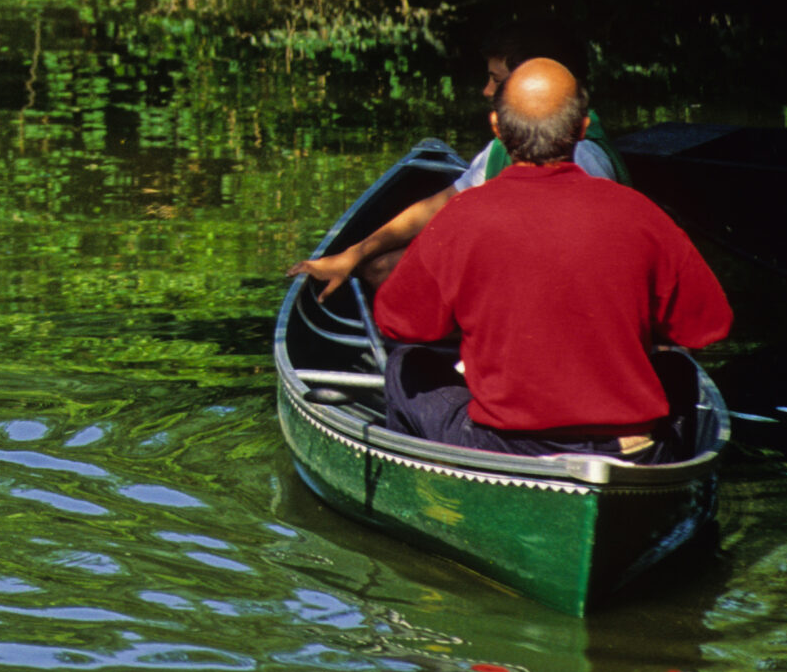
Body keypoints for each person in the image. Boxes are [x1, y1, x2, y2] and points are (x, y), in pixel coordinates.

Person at [373, 58, 732, 462]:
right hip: (630, 449)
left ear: (497, 129)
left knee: (406, 365)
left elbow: (398, 321)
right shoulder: (642, 213)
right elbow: (709, 325)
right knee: (679, 370)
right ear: (581, 130)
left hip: (506, 446)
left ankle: (426, 488)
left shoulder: (462, 216)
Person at [291, 23, 627, 300]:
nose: (485, 91)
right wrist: (356, 252)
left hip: (552, 300)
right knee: (382, 268)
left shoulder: (583, 158)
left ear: (534, 85)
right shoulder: (504, 148)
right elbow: (438, 207)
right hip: (522, 286)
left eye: (496, 80)